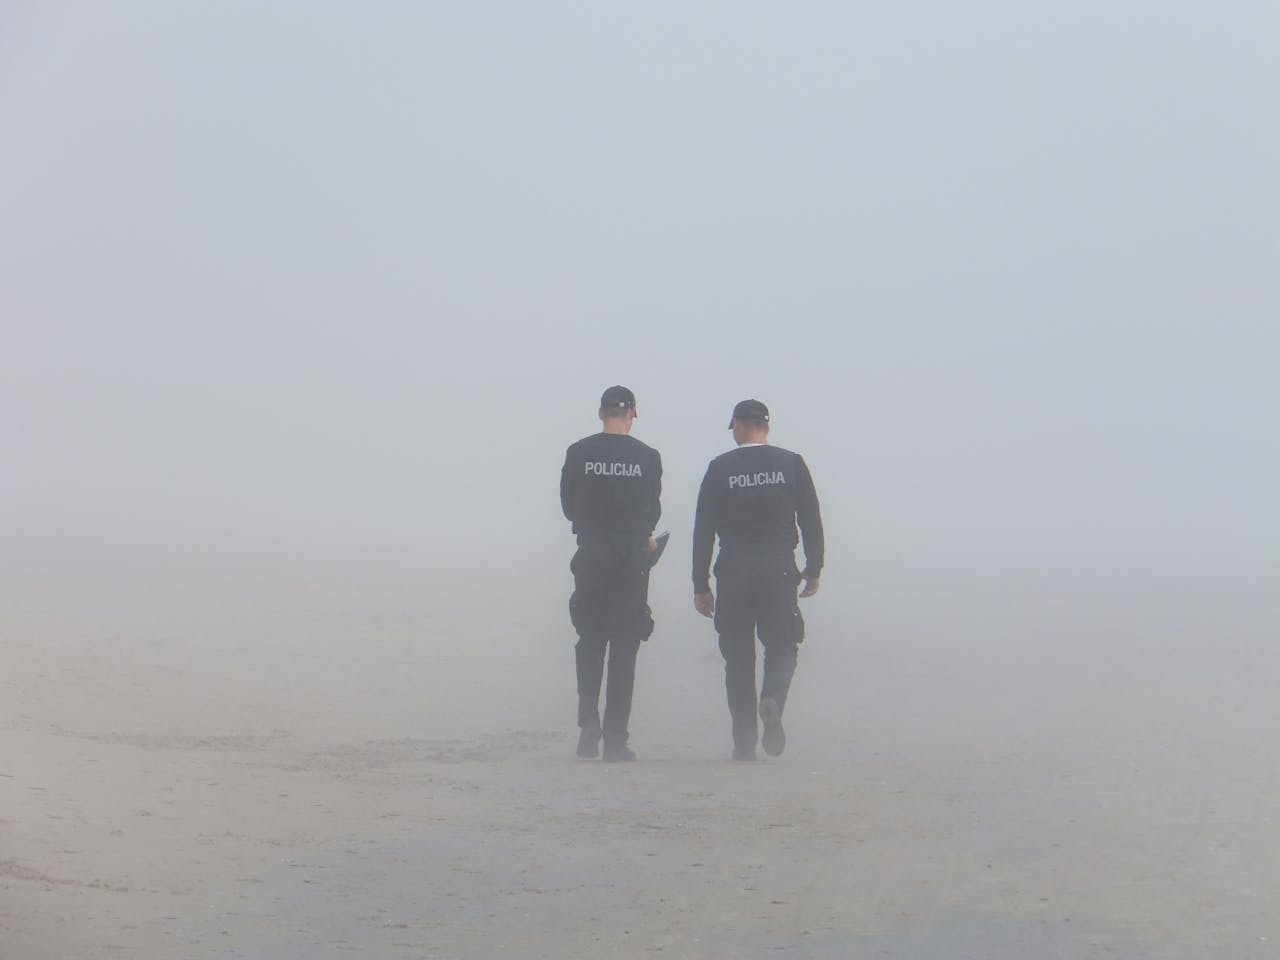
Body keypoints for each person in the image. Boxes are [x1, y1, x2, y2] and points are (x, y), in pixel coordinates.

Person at [692, 399, 824, 760]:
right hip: (779, 570)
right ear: (766, 426)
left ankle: (744, 741)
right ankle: (773, 698)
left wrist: (700, 584)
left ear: (736, 424)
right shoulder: (791, 464)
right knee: (782, 646)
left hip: (734, 572)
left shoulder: (720, 468)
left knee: (737, 658)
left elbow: (703, 530)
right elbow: (811, 519)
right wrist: (813, 568)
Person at [561, 386, 663, 762]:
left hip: (591, 557)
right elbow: (653, 510)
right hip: (631, 563)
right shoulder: (647, 457)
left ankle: (588, 721)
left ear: (600, 412)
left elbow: (568, 506)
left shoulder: (579, 453)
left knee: (590, 640)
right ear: (633, 412)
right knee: (625, 647)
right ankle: (616, 739)